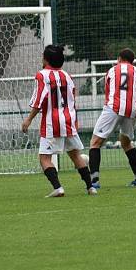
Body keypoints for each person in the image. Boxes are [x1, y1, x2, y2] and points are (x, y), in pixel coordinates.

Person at [21, 45, 96, 197]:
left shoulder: (42, 75)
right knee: (76, 155)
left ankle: (58, 188)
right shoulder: (67, 76)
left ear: (46, 59)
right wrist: (75, 121)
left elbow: (39, 100)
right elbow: (72, 100)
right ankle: (91, 187)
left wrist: (28, 120)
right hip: (69, 119)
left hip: (51, 122)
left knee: (44, 158)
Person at [87, 48, 136, 188]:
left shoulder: (112, 71)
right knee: (126, 143)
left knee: (95, 142)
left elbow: (109, 92)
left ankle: (94, 180)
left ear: (119, 58)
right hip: (131, 110)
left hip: (113, 107)